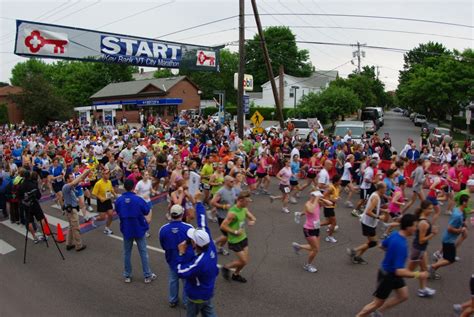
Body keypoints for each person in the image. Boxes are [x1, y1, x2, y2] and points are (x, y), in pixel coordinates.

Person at [355, 214, 429, 317]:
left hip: (393, 273)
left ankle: (378, 312)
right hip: (388, 275)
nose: (416, 229)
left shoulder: (395, 234)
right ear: (408, 227)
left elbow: (381, 246)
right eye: (415, 226)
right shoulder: (401, 245)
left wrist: (391, 254)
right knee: (377, 303)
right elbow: (399, 271)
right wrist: (418, 274)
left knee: (403, 295)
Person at [115, 179, 156, 283]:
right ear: (133, 187)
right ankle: (147, 275)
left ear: (124, 187)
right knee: (143, 252)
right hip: (139, 229)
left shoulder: (119, 200)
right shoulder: (138, 199)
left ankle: (127, 275)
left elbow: (118, 211)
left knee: (126, 253)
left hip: (126, 229)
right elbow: (146, 211)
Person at [177, 228, 219, 317]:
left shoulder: (199, 263)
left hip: (196, 296)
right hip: (208, 290)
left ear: (195, 244)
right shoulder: (211, 247)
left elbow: (180, 272)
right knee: (209, 312)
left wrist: (181, 253)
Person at [159, 204, 194, 308]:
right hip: (186, 259)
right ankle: (186, 302)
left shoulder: (163, 229)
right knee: (186, 281)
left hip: (172, 258)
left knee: (173, 279)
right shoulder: (189, 228)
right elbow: (194, 243)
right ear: (182, 214)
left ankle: (172, 300)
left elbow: (163, 244)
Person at [428, 195, 469, 280]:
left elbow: (456, 221)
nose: (469, 203)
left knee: (445, 258)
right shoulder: (457, 215)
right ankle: (432, 266)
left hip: (448, 239)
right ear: (464, 202)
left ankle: (432, 271)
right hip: (448, 240)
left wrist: (463, 224)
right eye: (468, 201)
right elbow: (450, 228)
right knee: (450, 260)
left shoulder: (458, 210)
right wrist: (461, 230)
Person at [220, 190, 256, 283]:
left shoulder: (244, 209)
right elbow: (223, 226)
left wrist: (252, 221)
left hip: (243, 238)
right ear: (240, 200)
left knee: (245, 260)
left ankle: (236, 275)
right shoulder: (232, 212)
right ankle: (226, 267)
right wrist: (235, 232)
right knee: (244, 261)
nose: (248, 203)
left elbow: (252, 218)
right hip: (234, 240)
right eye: (247, 201)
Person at [347, 182, 387, 265]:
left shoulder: (375, 194)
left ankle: (358, 257)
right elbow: (368, 212)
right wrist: (379, 217)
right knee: (373, 242)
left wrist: (383, 211)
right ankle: (354, 251)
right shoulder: (376, 198)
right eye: (385, 188)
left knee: (370, 242)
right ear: (380, 189)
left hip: (369, 223)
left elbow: (373, 208)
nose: (386, 190)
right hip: (368, 223)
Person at [292, 191, 331, 273]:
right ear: (312, 196)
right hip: (308, 229)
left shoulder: (318, 202)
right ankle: (307, 265)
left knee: (314, 247)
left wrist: (322, 199)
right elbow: (311, 210)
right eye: (315, 196)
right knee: (315, 249)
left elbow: (330, 204)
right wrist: (317, 198)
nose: (317, 198)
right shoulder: (308, 204)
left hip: (316, 228)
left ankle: (299, 247)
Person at [407, 200, 437, 297]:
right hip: (418, 249)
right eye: (429, 208)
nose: (431, 210)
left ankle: (422, 289)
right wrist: (432, 233)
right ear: (424, 209)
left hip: (421, 249)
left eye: (432, 208)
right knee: (408, 272)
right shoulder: (423, 223)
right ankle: (391, 280)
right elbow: (421, 240)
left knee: (424, 269)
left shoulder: (422, 219)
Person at [62, 169, 91, 251]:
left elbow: (79, 181)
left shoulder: (70, 186)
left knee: (71, 227)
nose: (73, 178)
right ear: (67, 179)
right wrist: (84, 173)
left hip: (71, 210)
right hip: (71, 211)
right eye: (71, 177)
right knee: (76, 228)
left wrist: (86, 174)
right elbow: (75, 182)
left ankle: (69, 244)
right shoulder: (66, 186)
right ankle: (79, 245)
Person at [211, 175, 239, 256]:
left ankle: (219, 248)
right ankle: (212, 243)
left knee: (227, 235)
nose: (233, 182)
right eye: (231, 181)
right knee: (227, 235)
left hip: (231, 216)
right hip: (222, 217)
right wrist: (223, 206)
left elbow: (234, 199)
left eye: (233, 181)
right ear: (226, 182)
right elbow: (212, 202)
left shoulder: (233, 189)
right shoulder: (221, 191)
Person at [91, 169, 117, 235]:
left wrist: (115, 195)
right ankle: (94, 219)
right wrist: (100, 198)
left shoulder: (109, 182)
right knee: (103, 217)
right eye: (106, 173)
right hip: (101, 201)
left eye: (108, 173)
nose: (108, 175)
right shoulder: (98, 183)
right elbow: (94, 193)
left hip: (108, 200)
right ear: (102, 175)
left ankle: (107, 228)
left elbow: (111, 189)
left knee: (111, 215)